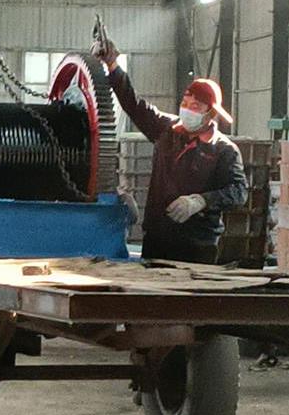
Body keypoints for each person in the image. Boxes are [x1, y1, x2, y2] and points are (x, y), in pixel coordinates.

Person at [92, 38, 247, 264]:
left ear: (211, 114)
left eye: (195, 107)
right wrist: (112, 65)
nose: (187, 110)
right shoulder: (166, 130)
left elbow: (238, 191)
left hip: (197, 246)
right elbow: (134, 105)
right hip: (157, 240)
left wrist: (201, 201)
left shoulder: (224, 150)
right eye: (185, 104)